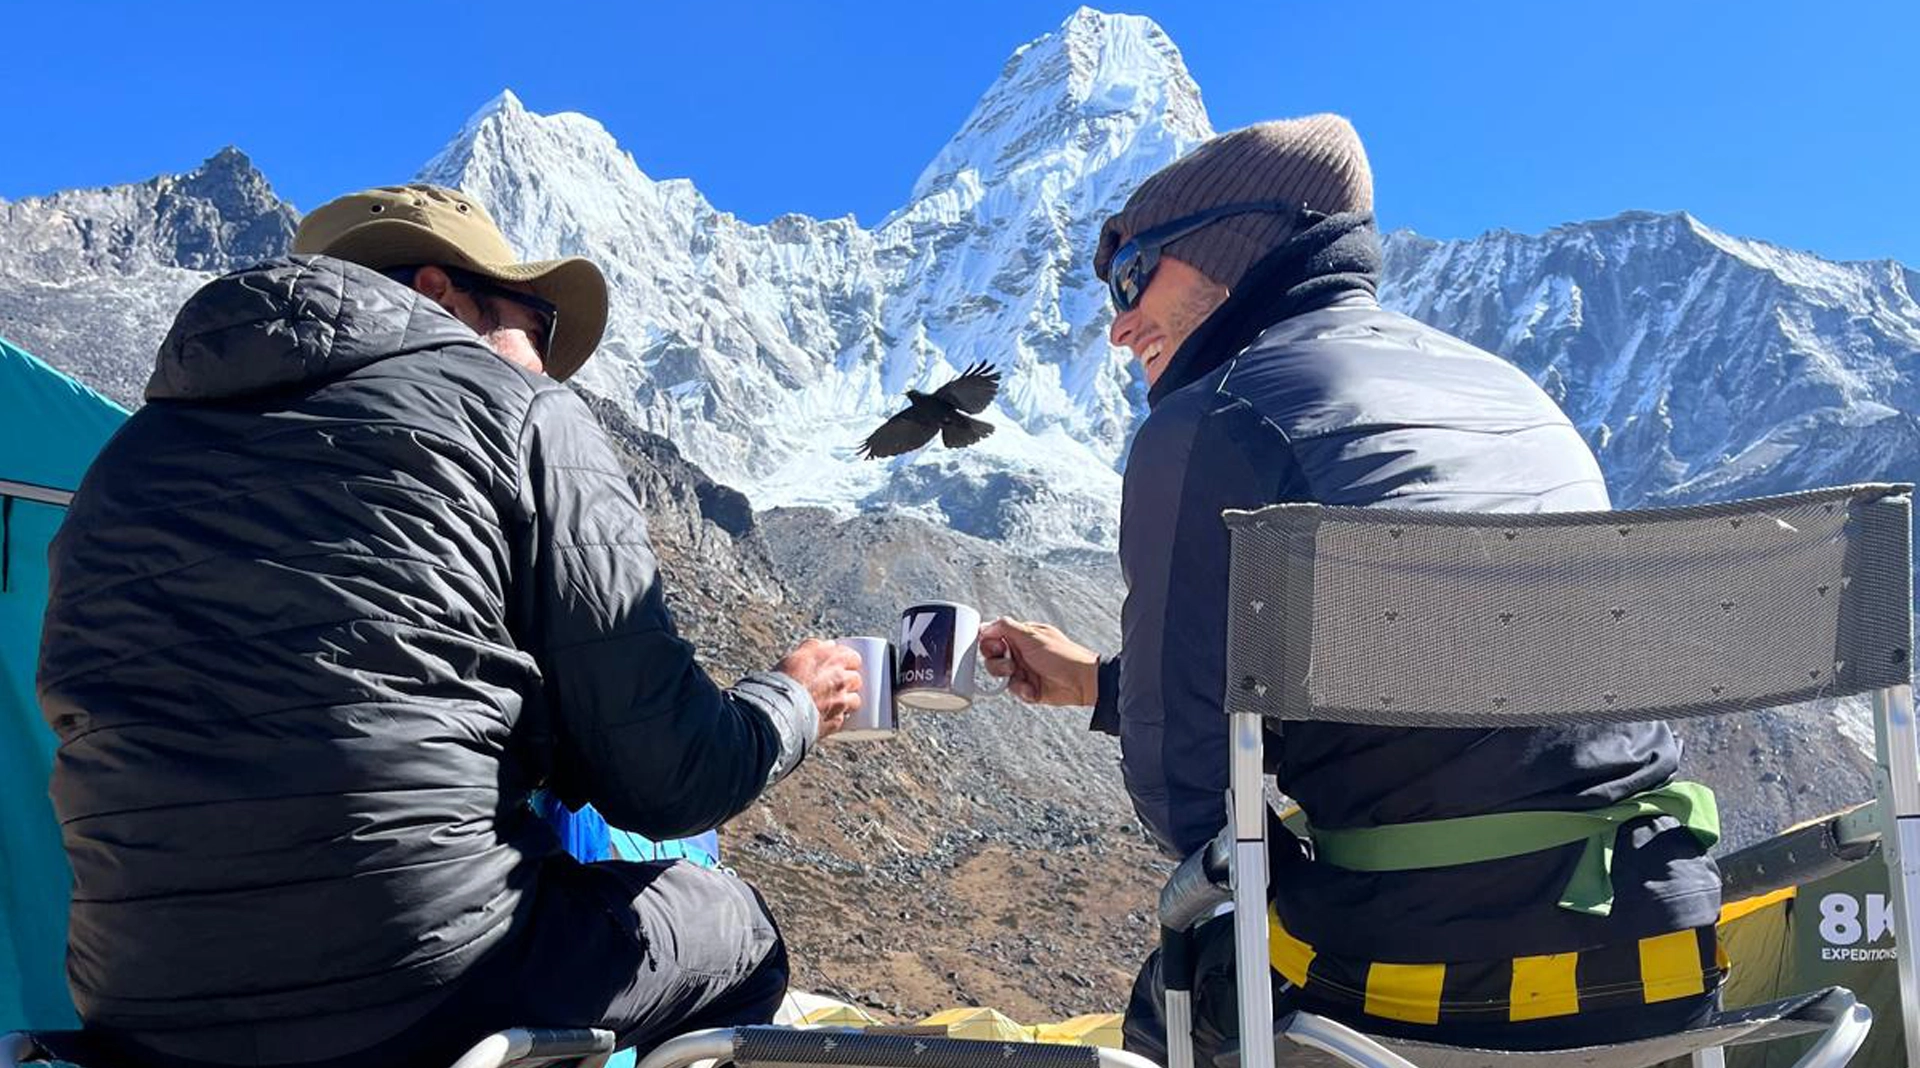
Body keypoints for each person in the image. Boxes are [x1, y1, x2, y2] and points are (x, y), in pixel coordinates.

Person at [37, 183, 863, 1068]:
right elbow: (666, 780)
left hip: (134, 1006)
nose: (545, 366)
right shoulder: (514, 412)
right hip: (415, 984)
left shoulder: (123, 462)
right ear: (435, 293)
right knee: (736, 932)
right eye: (536, 326)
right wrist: (791, 703)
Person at [982, 117, 1722, 1060]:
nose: (1119, 325)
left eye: (1132, 278)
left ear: (1232, 245)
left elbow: (1189, 791)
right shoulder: (1512, 392)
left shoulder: (1214, 422)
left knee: (1184, 967)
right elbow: (1442, 676)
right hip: (1664, 955)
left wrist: (1305, 868)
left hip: (1433, 993)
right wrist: (1098, 683)